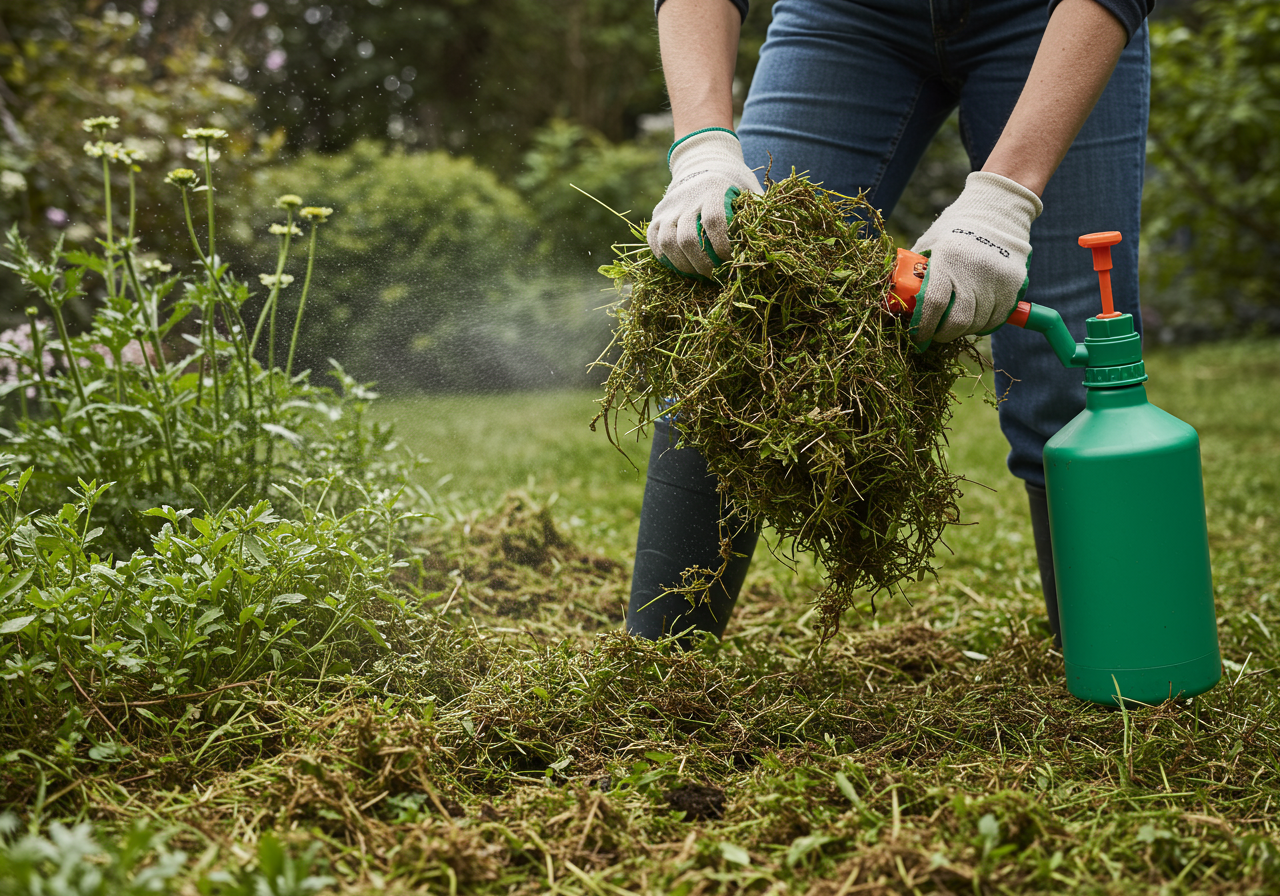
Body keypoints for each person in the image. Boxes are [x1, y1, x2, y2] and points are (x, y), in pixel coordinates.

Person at [627, 0, 1154, 645]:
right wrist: (703, 145)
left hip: (1054, 20)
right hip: (847, 18)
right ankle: (655, 667)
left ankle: (1123, 667)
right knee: (734, 320)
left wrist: (1004, 199)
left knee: (1070, 374)